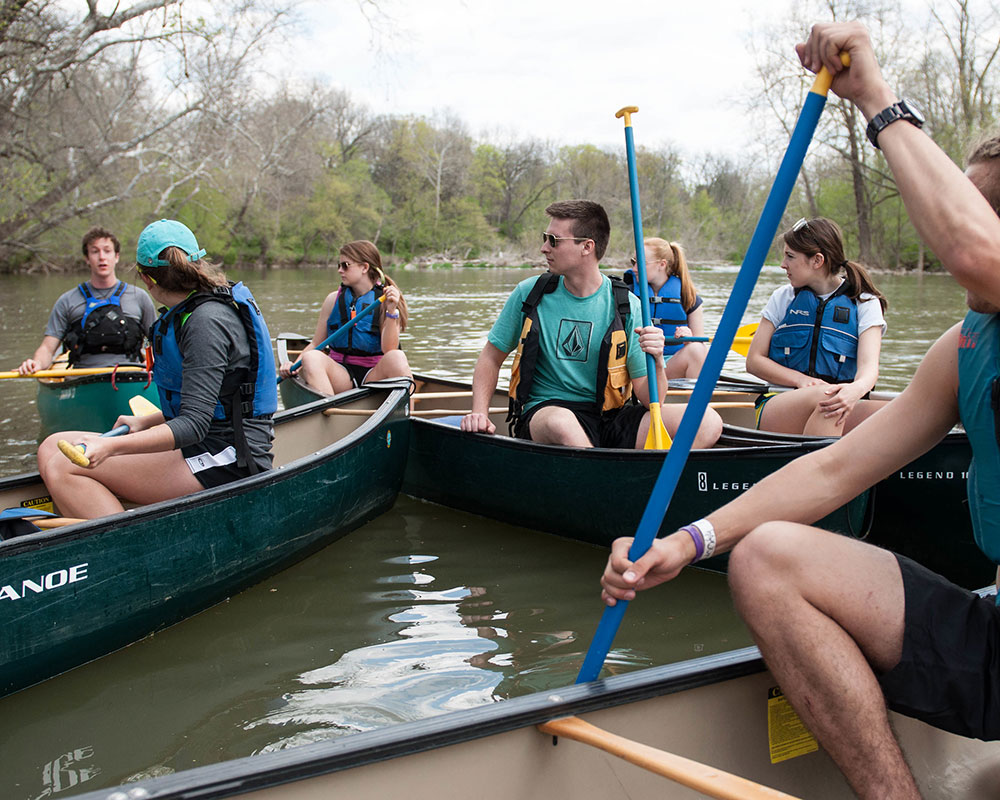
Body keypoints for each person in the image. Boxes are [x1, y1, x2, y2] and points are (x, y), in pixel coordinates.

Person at [600, 21, 1000, 800]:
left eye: (985, 208)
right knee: (767, 556)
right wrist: (692, 539)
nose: (956, 218)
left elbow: (971, 250)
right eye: (965, 202)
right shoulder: (965, 345)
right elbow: (842, 466)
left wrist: (875, 97)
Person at [37, 219, 276, 519]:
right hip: (203, 442)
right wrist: (146, 422)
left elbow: (194, 424)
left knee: (64, 465)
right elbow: (213, 399)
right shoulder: (190, 311)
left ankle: (125, 552)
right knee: (50, 447)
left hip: (229, 457)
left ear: (147, 279)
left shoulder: (206, 322)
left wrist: (113, 447)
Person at [460, 200, 722, 449]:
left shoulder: (628, 305)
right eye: (545, 238)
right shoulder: (529, 294)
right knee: (561, 423)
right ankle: (605, 480)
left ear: (587, 247)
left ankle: (648, 482)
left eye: (553, 241)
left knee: (707, 421)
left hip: (609, 419)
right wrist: (479, 413)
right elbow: (490, 359)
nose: (544, 248)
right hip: (546, 412)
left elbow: (652, 398)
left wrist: (655, 359)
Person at [745, 217, 887, 436]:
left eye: (790, 256)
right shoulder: (782, 298)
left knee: (903, 413)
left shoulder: (865, 302)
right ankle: (817, 468)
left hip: (843, 400)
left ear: (817, 261)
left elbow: (869, 368)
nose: (783, 265)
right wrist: (802, 380)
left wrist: (854, 391)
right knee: (828, 399)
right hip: (780, 401)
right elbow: (754, 361)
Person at [277, 240, 412, 394]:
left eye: (345, 265)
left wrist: (391, 311)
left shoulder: (385, 301)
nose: (340, 270)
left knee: (397, 357)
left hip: (374, 375)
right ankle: (329, 411)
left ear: (364, 267)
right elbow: (316, 343)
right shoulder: (332, 300)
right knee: (311, 358)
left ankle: (407, 414)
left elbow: (389, 349)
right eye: (339, 266)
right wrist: (293, 365)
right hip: (341, 375)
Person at [17, 226, 156, 374]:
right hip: (82, 377)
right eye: (95, 251)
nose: (102, 257)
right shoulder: (67, 301)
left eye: (107, 251)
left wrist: (153, 360)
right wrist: (36, 363)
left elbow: (157, 342)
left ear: (116, 256)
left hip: (131, 375)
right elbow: (47, 348)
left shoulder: (139, 297)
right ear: (87, 259)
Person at [624, 238, 708, 379]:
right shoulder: (626, 294)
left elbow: (700, 345)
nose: (634, 269)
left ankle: (693, 401)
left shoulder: (688, 296)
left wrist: (690, 338)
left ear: (662, 264)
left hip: (671, 365)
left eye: (640, 263)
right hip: (639, 367)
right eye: (634, 262)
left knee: (697, 349)